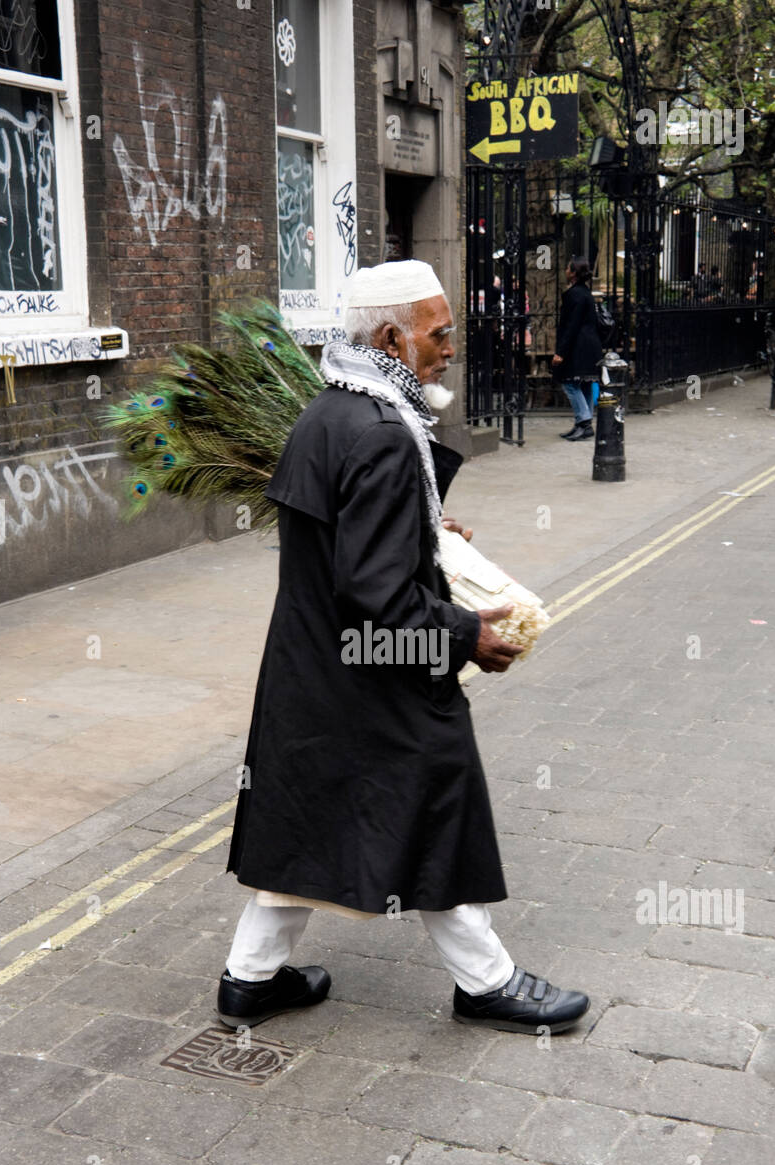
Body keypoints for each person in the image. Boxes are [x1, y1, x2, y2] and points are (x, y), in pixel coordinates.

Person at [217, 259, 590, 1037]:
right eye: (439, 333)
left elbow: (344, 544)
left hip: (315, 665)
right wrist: (471, 635)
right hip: (372, 672)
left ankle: (250, 980)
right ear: (391, 337)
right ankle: (487, 984)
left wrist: (425, 534)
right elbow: (380, 599)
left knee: (308, 812)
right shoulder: (384, 430)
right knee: (437, 793)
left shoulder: (333, 408)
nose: (451, 346)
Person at [552, 256, 603, 441]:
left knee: (570, 384)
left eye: (567, 268)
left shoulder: (574, 294)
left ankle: (584, 422)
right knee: (586, 384)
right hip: (592, 345)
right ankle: (582, 424)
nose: (565, 271)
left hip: (578, 346)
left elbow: (571, 326)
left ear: (573, 273)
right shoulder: (585, 292)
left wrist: (560, 352)